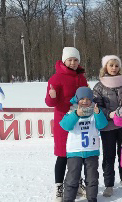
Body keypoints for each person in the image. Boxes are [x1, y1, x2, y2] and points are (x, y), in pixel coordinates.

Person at [45, 47, 88, 202]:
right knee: (63, 154)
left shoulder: (81, 78)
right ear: (64, 61)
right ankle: (59, 186)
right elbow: (50, 103)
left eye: (75, 60)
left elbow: (86, 97)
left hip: (80, 120)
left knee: (78, 154)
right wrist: (52, 96)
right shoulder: (56, 78)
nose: (73, 63)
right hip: (63, 121)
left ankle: (77, 183)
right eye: (70, 60)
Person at [59, 87, 108, 202]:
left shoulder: (94, 112)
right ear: (77, 100)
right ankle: (68, 199)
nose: (85, 101)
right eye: (82, 99)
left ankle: (92, 198)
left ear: (91, 100)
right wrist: (76, 114)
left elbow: (102, 125)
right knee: (72, 177)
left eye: (87, 99)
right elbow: (65, 125)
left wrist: (99, 113)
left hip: (91, 150)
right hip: (75, 151)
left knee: (92, 178)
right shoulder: (72, 112)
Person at [93, 55, 122, 197]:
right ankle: (109, 184)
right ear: (105, 67)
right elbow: (97, 106)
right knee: (109, 156)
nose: (114, 68)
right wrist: (110, 114)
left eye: (116, 65)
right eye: (111, 65)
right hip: (107, 127)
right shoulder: (99, 86)